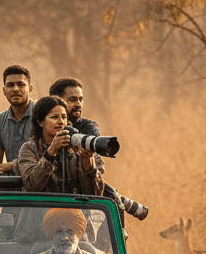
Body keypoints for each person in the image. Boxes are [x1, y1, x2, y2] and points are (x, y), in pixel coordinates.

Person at [48, 78, 148, 221]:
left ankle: (120, 224)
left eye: (81, 99)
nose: (78, 104)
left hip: (83, 184)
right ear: (56, 101)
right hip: (51, 194)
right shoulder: (44, 125)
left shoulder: (88, 127)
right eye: (72, 100)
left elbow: (91, 159)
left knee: (112, 198)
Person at [17, 95, 104, 195]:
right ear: (40, 122)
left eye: (64, 117)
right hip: (42, 205)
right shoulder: (29, 149)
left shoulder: (77, 147)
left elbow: (95, 194)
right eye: (54, 117)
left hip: (73, 205)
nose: (61, 122)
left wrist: (87, 162)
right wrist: (51, 152)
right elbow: (32, 186)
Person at [21, 208, 109, 254]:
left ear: (78, 235)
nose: (64, 238)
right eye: (59, 232)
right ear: (52, 236)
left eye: (70, 232)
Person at [0, 64, 34, 175]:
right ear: (4, 91)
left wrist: (10, 166)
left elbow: (45, 157)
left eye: (21, 85)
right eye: (10, 85)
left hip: (39, 182)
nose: (15, 89)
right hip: (10, 184)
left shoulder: (43, 115)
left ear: (30, 89)